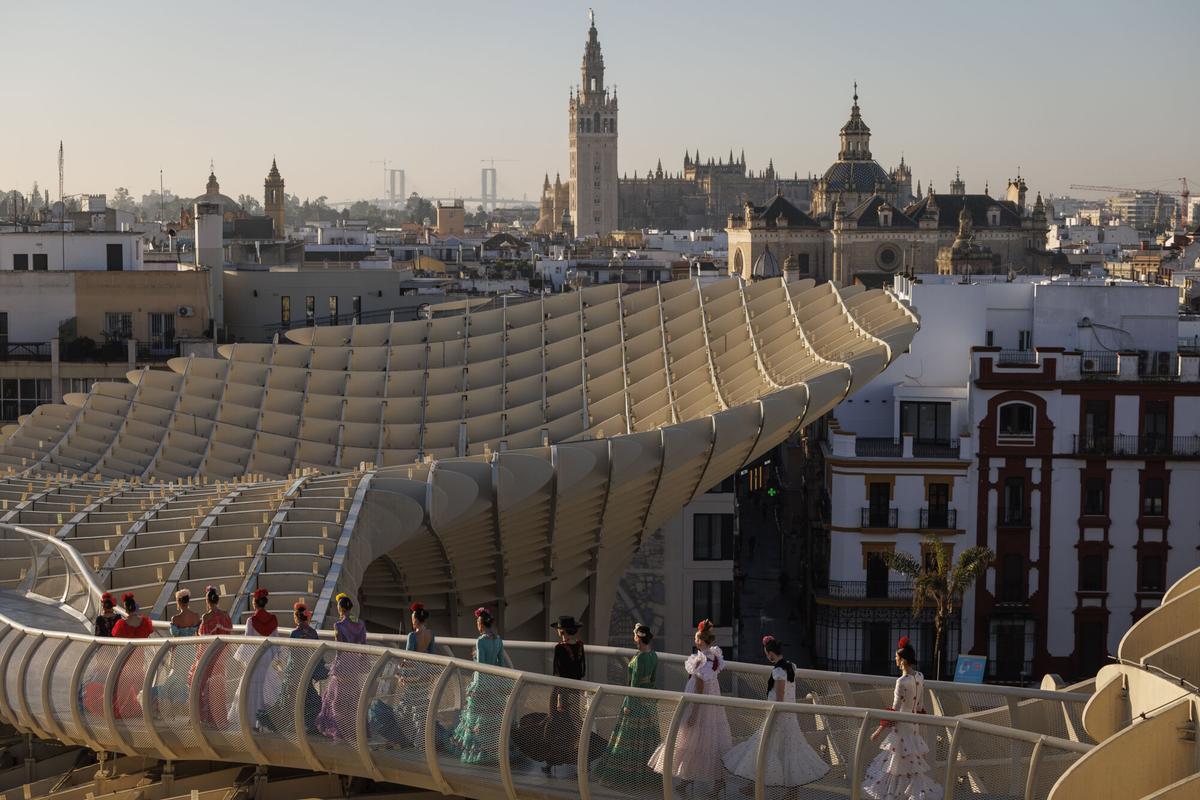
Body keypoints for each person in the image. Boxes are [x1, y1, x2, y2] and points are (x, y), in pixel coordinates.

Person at [722, 636, 829, 792]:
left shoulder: (778, 671)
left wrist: (773, 717)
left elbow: (779, 697)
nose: (767, 657)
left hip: (778, 717)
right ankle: (791, 793)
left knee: (763, 747)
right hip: (790, 716)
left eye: (767, 654)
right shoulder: (791, 666)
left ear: (771, 654)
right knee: (789, 751)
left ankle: (756, 787)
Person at [648, 619, 732, 790]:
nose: (695, 641)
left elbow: (700, 690)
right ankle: (704, 781)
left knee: (690, 740)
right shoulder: (713, 656)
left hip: (699, 707)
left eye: (696, 639)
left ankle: (696, 781)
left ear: (701, 640)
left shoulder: (702, 662)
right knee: (707, 742)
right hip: (712, 708)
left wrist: (694, 713)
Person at [514, 615, 603, 775]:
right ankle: (582, 760)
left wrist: (561, 697)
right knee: (574, 725)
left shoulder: (560, 648)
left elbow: (558, 673)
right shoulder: (580, 646)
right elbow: (582, 671)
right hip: (576, 690)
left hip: (560, 691)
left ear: (563, 631)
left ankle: (550, 762)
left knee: (554, 727)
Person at [862, 637, 942, 800]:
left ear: (903, 660)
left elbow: (894, 710)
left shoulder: (901, 682)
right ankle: (912, 795)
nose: (895, 660)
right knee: (911, 765)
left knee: (896, 765)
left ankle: (895, 796)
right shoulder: (920, 676)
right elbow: (919, 707)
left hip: (902, 727)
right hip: (913, 726)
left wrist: (879, 730)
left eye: (897, 658)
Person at [595, 622, 661, 789]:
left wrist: (628, 704)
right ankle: (646, 777)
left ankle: (624, 777)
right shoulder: (653, 655)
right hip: (648, 701)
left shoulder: (639, 658)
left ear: (638, 638)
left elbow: (634, 684)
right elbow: (652, 681)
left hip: (635, 701)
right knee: (647, 739)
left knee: (626, 739)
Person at [453, 607, 506, 764]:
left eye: (477, 622)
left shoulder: (480, 641)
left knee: (475, 721)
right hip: (495, 683)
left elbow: (481, 666)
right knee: (491, 721)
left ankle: (476, 753)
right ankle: (491, 751)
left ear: (481, 624)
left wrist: (477, 686)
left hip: (481, 683)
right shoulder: (498, 640)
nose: (477, 625)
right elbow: (501, 664)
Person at [259, 601, 321, 733]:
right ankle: (308, 726)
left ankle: (288, 726)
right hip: (307, 672)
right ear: (307, 617)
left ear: (296, 617)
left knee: (288, 703)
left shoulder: (295, 633)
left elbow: (293, 657)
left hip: (294, 674)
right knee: (310, 701)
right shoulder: (313, 633)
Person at [314, 592, 368, 740]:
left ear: (341, 608)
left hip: (343, 664)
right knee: (352, 698)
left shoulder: (338, 625)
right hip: (355, 663)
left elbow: (339, 649)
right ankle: (354, 729)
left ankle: (338, 730)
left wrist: (334, 666)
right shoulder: (360, 624)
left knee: (334, 698)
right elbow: (363, 645)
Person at [229, 587, 280, 729]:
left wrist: (242, 660)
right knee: (266, 686)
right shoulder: (273, 619)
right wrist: (276, 658)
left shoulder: (251, 621)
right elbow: (276, 641)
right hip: (267, 657)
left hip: (255, 657)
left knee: (252, 687)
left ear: (255, 603)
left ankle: (252, 720)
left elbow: (247, 642)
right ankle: (265, 719)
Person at [191, 585, 234, 725]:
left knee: (202, 686)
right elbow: (229, 636)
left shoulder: (206, 617)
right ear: (217, 600)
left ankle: (207, 717)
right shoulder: (225, 616)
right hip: (221, 657)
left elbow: (203, 642)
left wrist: (199, 658)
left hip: (208, 658)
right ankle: (219, 717)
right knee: (218, 687)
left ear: (207, 601)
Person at [111, 593, 153, 718]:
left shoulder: (121, 624)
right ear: (135, 607)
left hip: (126, 658)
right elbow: (149, 632)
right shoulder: (144, 622)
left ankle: (124, 710)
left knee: (124, 685)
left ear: (125, 608)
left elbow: (116, 638)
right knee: (138, 683)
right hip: (139, 657)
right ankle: (141, 709)